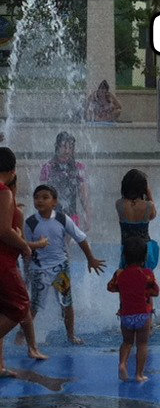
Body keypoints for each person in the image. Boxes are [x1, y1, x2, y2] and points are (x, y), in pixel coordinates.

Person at [23, 185, 105, 344]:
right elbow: (25, 248)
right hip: (39, 269)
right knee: (34, 305)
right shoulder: (31, 222)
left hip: (60, 268)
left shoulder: (62, 219)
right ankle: (22, 335)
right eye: (37, 197)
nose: (40, 200)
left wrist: (91, 259)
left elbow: (80, 238)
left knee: (66, 303)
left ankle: (71, 335)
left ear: (54, 202)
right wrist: (26, 275)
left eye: (45, 197)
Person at [6, 176, 48, 361]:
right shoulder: (16, 212)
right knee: (23, 306)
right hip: (8, 265)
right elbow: (22, 244)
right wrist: (38, 244)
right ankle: (31, 347)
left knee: (19, 307)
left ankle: (28, 347)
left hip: (9, 264)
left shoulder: (13, 210)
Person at [0, 148, 35, 377]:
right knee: (20, 305)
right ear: (12, 171)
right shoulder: (4, 192)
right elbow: (2, 231)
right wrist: (24, 245)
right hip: (3, 261)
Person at [107, 237, 160, 382]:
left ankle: (123, 364)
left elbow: (110, 287)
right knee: (142, 344)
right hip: (143, 315)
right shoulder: (147, 274)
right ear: (144, 257)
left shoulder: (120, 274)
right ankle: (139, 374)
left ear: (125, 256)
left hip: (126, 316)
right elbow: (155, 291)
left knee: (127, 342)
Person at [40, 132, 93, 231]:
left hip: (71, 217)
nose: (67, 151)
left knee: (65, 245)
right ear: (57, 147)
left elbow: (84, 195)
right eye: (64, 147)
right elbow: (41, 195)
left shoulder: (78, 168)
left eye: (71, 147)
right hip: (51, 216)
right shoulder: (48, 167)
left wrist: (88, 216)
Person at [116, 169, 158, 269]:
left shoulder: (119, 204)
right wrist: (149, 194)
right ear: (143, 188)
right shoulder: (149, 206)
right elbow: (153, 215)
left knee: (127, 278)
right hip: (145, 250)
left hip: (127, 249)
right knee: (146, 278)